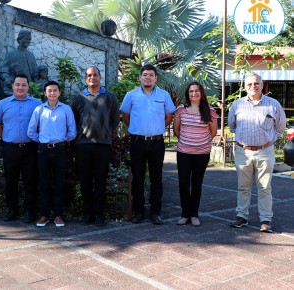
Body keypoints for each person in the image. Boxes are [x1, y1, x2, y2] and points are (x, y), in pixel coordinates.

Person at [228, 73, 286, 233]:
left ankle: (266, 219)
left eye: (256, 83)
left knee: (265, 187)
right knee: (243, 187)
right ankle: (241, 216)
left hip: (265, 151)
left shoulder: (273, 105)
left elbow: (280, 127)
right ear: (245, 87)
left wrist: (267, 140)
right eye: (249, 84)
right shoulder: (237, 105)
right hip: (243, 151)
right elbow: (232, 126)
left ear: (262, 85)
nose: (253, 86)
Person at [120, 64, 175, 225]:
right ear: (140, 77)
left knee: (156, 178)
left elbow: (169, 116)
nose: (148, 77)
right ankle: (138, 212)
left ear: (156, 78)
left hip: (157, 142)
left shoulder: (164, 95)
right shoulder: (131, 95)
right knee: (138, 177)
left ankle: (156, 212)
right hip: (137, 142)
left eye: (151, 75)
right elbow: (125, 116)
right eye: (145, 75)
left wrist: (157, 128)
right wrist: (137, 129)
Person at [71, 66, 120, 226]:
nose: (93, 77)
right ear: (86, 78)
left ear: (100, 77)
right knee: (85, 181)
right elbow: (74, 120)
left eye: (95, 75)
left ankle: (99, 214)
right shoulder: (78, 98)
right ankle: (87, 214)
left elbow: (115, 120)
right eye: (90, 75)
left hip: (103, 145)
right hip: (83, 145)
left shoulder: (110, 97)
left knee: (100, 181)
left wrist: (105, 133)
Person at [0, 74, 41, 223]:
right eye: (17, 84)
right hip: (10, 148)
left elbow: (41, 124)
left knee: (30, 181)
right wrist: (5, 136)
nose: (20, 87)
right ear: (13, 86)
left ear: (28, 86)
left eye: (24, 85)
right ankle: (12, 210)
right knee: (10, 180)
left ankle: (29, 211)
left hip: (30, 148)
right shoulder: (3, 103)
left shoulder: (37, 103)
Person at [27, 81, 77, 227]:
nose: (52, 93)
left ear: (59, 93)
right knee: (44, 182)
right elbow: (31, 131)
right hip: (43, 149)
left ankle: (58, 215)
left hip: (60, 150)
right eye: (49, 91)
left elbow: (72, 131)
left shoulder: (66, 109)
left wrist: (61, 141)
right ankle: (44, 215)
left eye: (55, 90)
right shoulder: (39, 110)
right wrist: (43, 141)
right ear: (45, 93)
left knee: (59, 182)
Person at [173, 82, 218, 227]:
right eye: (191, 91)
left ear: (201, 93)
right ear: (188, 93)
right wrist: (188, 142)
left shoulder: (209, 110)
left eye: (197, 91)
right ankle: (185, 214)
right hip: (184, 153)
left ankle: (194, 214)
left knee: (197, 184)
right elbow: (176, 130)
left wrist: (201, 143)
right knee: (183, 183)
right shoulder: (181, 110)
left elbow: (213, 132)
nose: (194, 93)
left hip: (202, 153)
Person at [0, 30, 39, 95]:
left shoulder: (31, 56)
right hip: (15, 89)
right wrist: (6, 78)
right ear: (19, 40)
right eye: (26, 39)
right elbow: (3, 69)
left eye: (29, 39)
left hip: (30, 89)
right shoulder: (12, 54)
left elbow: (36, 73)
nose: (28, 41)